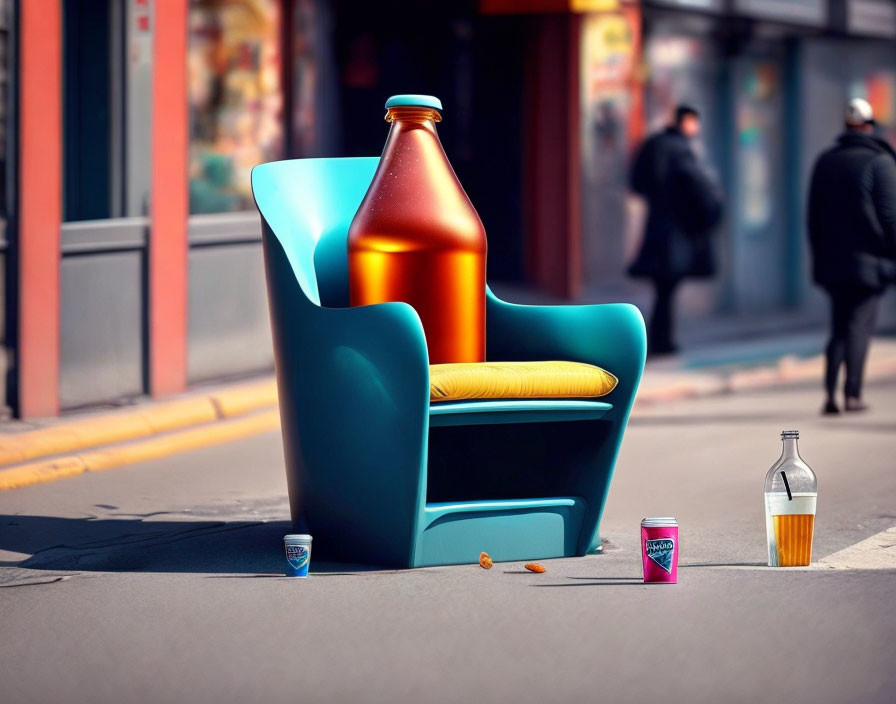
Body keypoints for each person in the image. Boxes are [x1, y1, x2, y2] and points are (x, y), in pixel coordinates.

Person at [807, 98, 896, 414]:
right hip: (868, 263)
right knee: (859, 325)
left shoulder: (825, 161)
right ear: (871, 126)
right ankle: (852, 394)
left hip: (832, 263)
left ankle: (830, 393)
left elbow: (813, 218)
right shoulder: (879, 162)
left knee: (838, 326)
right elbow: (889, 218)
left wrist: (818, 257)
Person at [628, 105, 723, 356]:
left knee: (664, 289)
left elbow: (637, 182)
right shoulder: (680, 149)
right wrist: (711, 209)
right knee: (667, 288)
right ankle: (661, 342)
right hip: (675, 232)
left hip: (658, 225)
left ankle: (659, 340)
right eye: (694, 123)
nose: (696, 128)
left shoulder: (654, 144)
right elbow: (697, 186)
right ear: (686, 122)